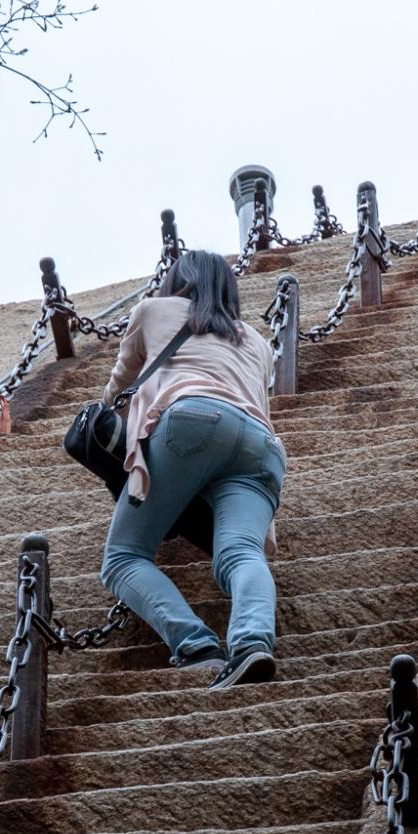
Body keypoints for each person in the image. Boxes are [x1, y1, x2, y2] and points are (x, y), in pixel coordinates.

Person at [99, 248, 286, 689]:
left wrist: (106, 414)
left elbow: (119, 386)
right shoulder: (257, 342)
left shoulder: (153, 310)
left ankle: (196, 644)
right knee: (241, 553)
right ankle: (252, 642)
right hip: (262, 447)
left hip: (192, 422)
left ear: (177, 282)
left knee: (123, 558)